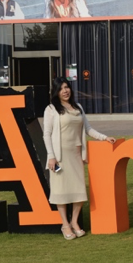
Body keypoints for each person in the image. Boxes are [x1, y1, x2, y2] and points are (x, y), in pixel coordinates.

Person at [43, 77, 115, 240]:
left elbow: (88, 129)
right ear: (56, 92)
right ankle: (65, 225)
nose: (65, 91)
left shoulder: (78, 107)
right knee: (60, 191)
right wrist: (51, 156)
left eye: (67, 87)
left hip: (76, 156)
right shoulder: (51, 109)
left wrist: (104, 137)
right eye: (61, 88)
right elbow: (46, 134)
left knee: (79, 191)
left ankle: (74, 222)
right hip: (60, 157)